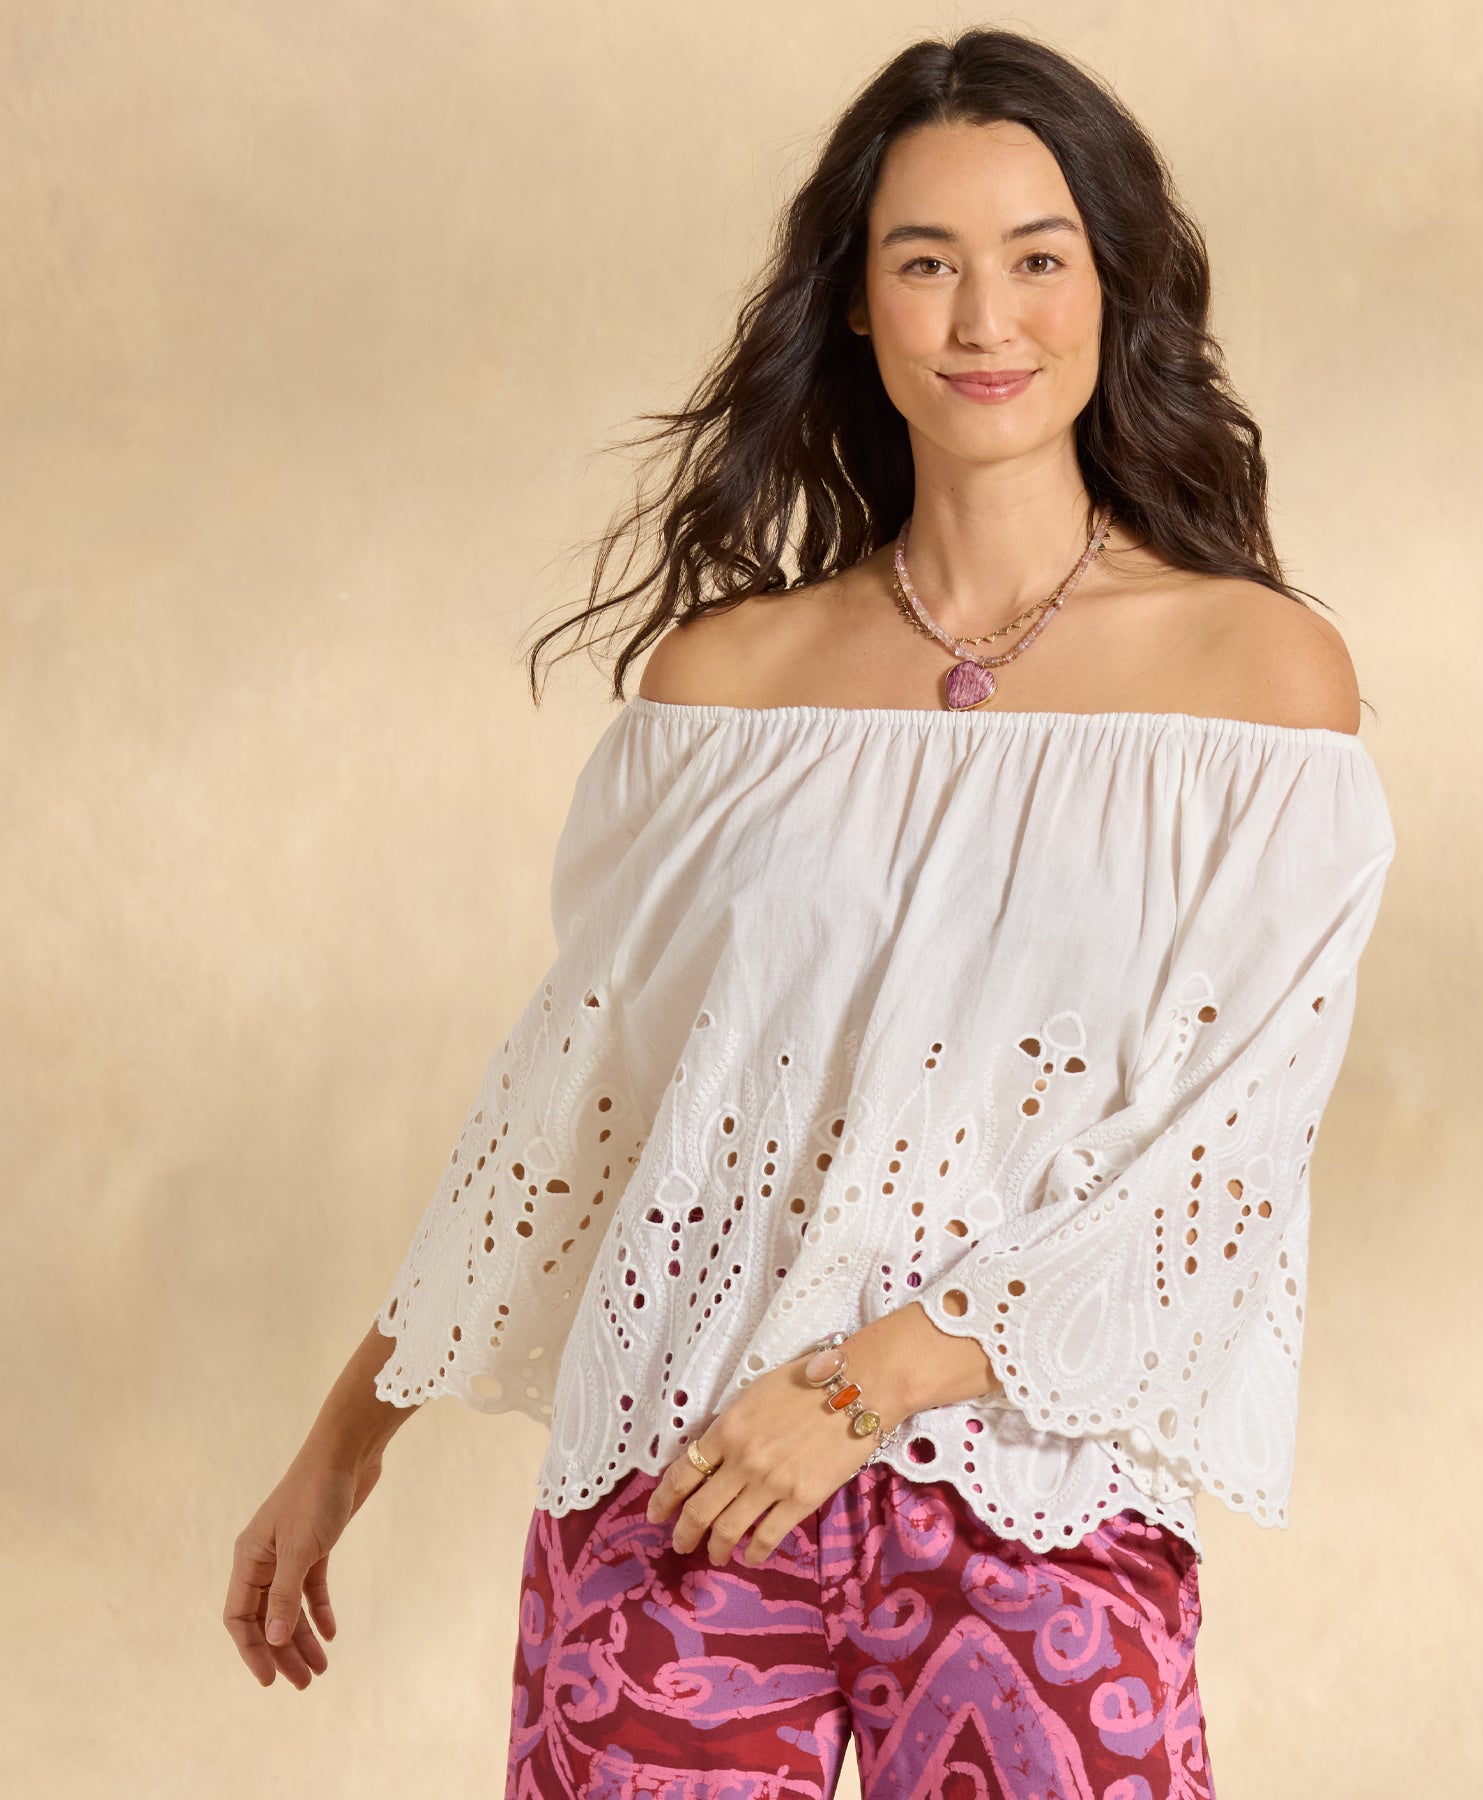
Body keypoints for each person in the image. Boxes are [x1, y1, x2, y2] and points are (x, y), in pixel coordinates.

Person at [224, 27, 1396, 1800]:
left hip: (1038, 1499)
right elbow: (575, 1109)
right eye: (926, 263)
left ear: (1112, 285)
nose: (985, 318)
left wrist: (864, 1388)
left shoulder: (1256, 681)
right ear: (853, 301)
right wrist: (344, 1442)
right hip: (683, 1476)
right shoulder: (725, 689)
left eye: (1038, 259)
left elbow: (1221, 1151)